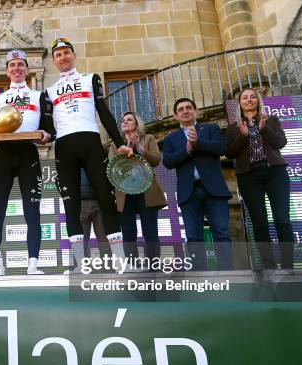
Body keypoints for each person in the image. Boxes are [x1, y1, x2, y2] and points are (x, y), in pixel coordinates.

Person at [45, 37, 127, 273]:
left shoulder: (90, 79)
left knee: (106, 198)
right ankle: (80, 263)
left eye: (66, 53)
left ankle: (120, 259)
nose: (63, 57)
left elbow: (104, 112)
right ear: (54, 60)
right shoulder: (49, 92)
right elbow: (50, 129)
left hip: (91, 142)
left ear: (73, 55)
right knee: (71, 206)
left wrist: (120, 142)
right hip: (64, 146)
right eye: (58, 54)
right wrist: (43, 136)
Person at [0, 49, 54, 276]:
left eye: (21, 64)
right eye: (13, 65)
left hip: (28, 154)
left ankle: (33, 265)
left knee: (32, 211)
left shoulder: (40, 96)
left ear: (27, 70)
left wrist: (47, 135)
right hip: (4, 154)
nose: (17, 69)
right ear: (7, 70)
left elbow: (51, 129)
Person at [225, 88, 293, 270]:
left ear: (258, 100)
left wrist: (265, 130)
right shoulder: (233, 127)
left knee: (282, 220)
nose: (249, 100)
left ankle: (288, 266)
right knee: (259, 222)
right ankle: (269, 265)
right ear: (239, 103)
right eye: (244, 97)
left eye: (253, 96)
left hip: (275, 173)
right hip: (249, 177)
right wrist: (243, 135)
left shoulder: (270, 120)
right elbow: (229, 152)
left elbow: (281, 143)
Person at [163, 98, 232, 270]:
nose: (185, 111)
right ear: (175, 115)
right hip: (189, 193)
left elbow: (221, 148)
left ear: (196, 110)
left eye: (188, 108)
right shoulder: (171, 138)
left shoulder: (211, 129)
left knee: (221, 234)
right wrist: (187, 149)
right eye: (181, 109)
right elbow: (168, 162)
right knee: (193, 237)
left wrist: (198, 143)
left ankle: (227, 275)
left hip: (214, 190)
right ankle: (199, 276)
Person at [115, 112, 167, 266]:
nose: (125, 122)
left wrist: (138, 146)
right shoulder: (115, 143)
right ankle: (132, 265)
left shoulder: (148, 138)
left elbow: (156, 160)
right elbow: (112, 166)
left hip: (147, 191)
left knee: (150, 231)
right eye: (123, 120)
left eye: (129, 119)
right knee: (128, 232)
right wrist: (127, 148)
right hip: (125, 192)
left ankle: (153, 264)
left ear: (137, 123)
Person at [79, 169, 111, 261]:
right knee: (81, 239)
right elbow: (62, 180)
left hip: (99, 202)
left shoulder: (95, 159)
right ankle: (81, 265)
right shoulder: (72, 161)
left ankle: (107, 264)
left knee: (103, 236)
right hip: (80, 203)